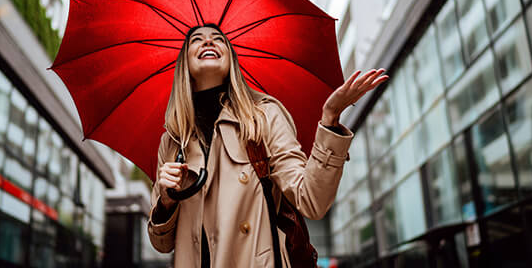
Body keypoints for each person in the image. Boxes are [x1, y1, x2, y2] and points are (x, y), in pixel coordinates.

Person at [148, 23, 388, 268]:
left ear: (231, 58)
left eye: (218, 39)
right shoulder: (173, 141)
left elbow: (311, 199)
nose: (208, 42)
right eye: (196, 40)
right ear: (184, 63)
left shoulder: (263, 116)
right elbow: (162, 244)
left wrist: (330, 119)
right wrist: (166, 201)